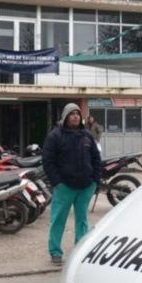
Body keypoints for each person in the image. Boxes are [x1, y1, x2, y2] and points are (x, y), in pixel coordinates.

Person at [43, 103, 101, 266]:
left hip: (85, 186)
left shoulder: (87, 136)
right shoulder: (55, 136)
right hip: (64, 187)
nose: (75, 116)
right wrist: (57, 182)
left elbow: (96, 159)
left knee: (82, 221)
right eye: (72, 114)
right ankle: (55, 252)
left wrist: (95, 181)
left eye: (77, 113)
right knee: (58, 220)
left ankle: (79, 251)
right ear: (65, 117)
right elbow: (48, 161)